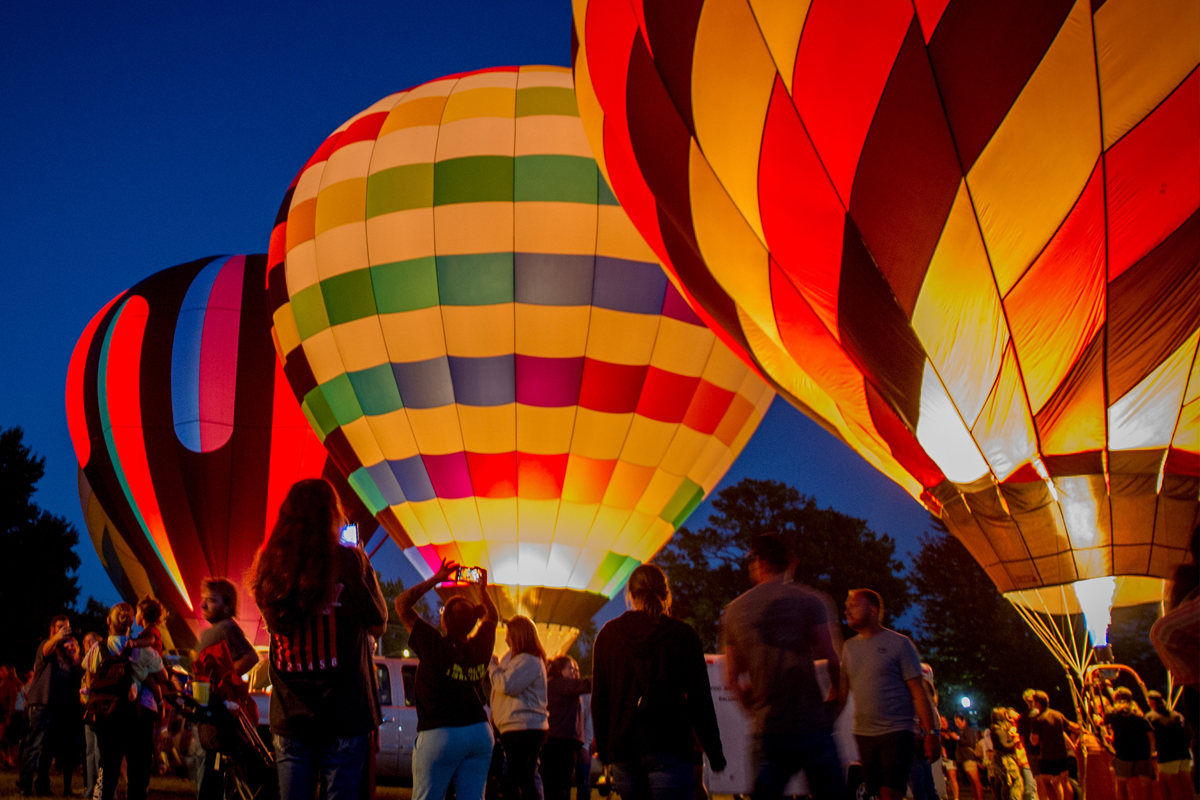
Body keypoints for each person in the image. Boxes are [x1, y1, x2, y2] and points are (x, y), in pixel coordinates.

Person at [248, 478, 388, 800]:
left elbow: (271, 624)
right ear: (331, 515)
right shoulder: (347, 560)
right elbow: (379, 623)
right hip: (344, 713)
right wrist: (362, 562)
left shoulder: (269, 563)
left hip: (291, 713)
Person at [720, 533, 844, 800]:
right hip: (812, 724)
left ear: (760, 563)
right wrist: (835, 704)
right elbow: (833, 660)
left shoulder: (734, 611)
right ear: (791, 563)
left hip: (768, 729)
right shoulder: (813, 601)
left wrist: (755, 712)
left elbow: (732, 678)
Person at [592, 564, 726, 800]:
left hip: (624, 749)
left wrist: (605, 751)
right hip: (670, 744)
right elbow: (700, 700)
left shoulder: (607, 635)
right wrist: (714, 752)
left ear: (630, 595)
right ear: (666, 594)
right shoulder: (683, 635)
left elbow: (600, 701)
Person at [396, 558, 499, 800]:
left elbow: (401, 604)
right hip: (479, 732)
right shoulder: (481, 646)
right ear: (473, 621)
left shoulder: (434, 644)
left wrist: (437, 578)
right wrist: (482, 591)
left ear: (446, 620)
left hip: (440, 733)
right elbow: (492, 617)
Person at [839, 589, 939, 800]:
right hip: (864, 734)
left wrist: (932, 734)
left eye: (853, 606)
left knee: (890, 793)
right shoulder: (849, 648)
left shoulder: (900, 644)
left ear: (872, 610)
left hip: (896, 732)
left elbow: (918, 691)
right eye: (846, 607)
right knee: (875, 793)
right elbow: (841, 692)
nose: (847, 611)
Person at [82, 602, 169, 800]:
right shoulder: (144, 650)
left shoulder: (97, 649)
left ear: (108, 621)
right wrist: (145, 675)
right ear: (131, 624)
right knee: (138, 772)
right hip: (140, 713)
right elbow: (163, 677)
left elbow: (90, 681)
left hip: (107, 714)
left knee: (107, 768)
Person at [18, 615, 80, 797]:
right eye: (60, 627)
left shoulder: (65, 654)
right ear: (52, 629)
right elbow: (45, 650)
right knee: (34, 745)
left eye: (66, 627)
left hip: (58, 706)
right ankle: (24, 785)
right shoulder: (48, 645)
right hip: (42, 703)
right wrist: (57, 637)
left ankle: (42, 785)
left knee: (49, 749)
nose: (64, 630)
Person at [490, 615, 550, 800]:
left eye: (508, 634)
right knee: (525, 779)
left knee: (512, 781)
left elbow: (507, 685)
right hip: (524, 727)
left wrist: (492, 667)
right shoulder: (525, 660)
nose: (506, 639)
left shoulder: (528, 660)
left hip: (521, 728)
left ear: (517, 635)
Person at [542, 656, 591, 800]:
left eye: (577, 669)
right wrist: (604, 676)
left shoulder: (560, 686)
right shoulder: (559, 684)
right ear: (560, 670)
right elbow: (586, 685)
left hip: (562, 743)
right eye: (571, 668)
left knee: (561, 784)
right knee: (557, 786)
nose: (575, 672)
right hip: (558, 744)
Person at [197, 578, 259, 675]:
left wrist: (222, 678)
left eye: (211, 600)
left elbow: (251, 658)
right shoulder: (211, 631)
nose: (203, 605)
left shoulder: (226, 628)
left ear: (227, 605)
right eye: (204, 599)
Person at [1104, 687, 1156, 800]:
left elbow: (1103, 722)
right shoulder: (1138, 714)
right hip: (1142, 754)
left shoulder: (1114, 714)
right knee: (1146, 784)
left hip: (1123, 754)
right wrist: (1151, 750)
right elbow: (1150, 733)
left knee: (1122, 784)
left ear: (1116, 698)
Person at [1029, 691, 1079, 800]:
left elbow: (1034, 742)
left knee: (1046, 782)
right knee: (1065, 782)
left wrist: (1031, 737)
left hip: (1047, 757)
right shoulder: (1058, 715)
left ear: (1038, 704)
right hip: (1062, 756)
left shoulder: (1037, 719)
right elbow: (1073, 727)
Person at [1145, 690, 1192, 800]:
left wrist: (1152, 752)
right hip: (1184, 754)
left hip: (1167, 756)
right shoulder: (1176, 714)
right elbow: (1186, 732)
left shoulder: (1150, 717)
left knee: (1169, 788)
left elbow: (1151, 738)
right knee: (1187, 787)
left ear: (1151, 702)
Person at [80, 632, 103, 800]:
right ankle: (90, 787)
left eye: (91, 641)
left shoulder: (99, 661)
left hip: (99, 709)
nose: (88, 644)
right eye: (85, 641)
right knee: (89, 751)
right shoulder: (85, 664)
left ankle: (100, 789)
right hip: (88, 710)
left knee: (98, 750)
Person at [989, 708, 1024, 800]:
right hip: (1006, 760)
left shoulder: (995, 729)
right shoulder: (999, 731)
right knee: (1015, 782)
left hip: (1000, 760)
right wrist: (1014, 741)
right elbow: (1004, 746)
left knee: (1006, 783)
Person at [1017, 690, 1045, 800]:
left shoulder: (1023, 717)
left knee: (1038, 780)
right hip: (1044, 751)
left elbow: (1022, 737)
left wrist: (1026, 748)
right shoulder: (1043, 714)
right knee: (1048, 780)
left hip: (1031, 752)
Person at [954, 713, 984, 800]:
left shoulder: (968, 731)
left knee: (975, 780)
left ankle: (979, 798)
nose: (957, 724)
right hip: (965, 758)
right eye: (956, 722)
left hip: (970, 758)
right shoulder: (962, 731)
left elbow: (971, 743)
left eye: (959, 722)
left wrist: (958, 738)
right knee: (972, 781)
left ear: (964, 721)